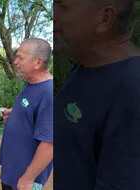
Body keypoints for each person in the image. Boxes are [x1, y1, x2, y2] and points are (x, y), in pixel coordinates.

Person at [54, 0, 140, 189]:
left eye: (63, 7)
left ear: (104, 18)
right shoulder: (84, 66)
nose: (54, 15)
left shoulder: (132, 89)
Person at [0, 38, 53, 190]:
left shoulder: (49, 93)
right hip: (12, 170)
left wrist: (28, 178)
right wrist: (13, 114)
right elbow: (31, 113)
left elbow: (49, 144)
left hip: (25, 178)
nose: (15, 62)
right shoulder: (30, 84)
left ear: (37, 62)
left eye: (20, 57)